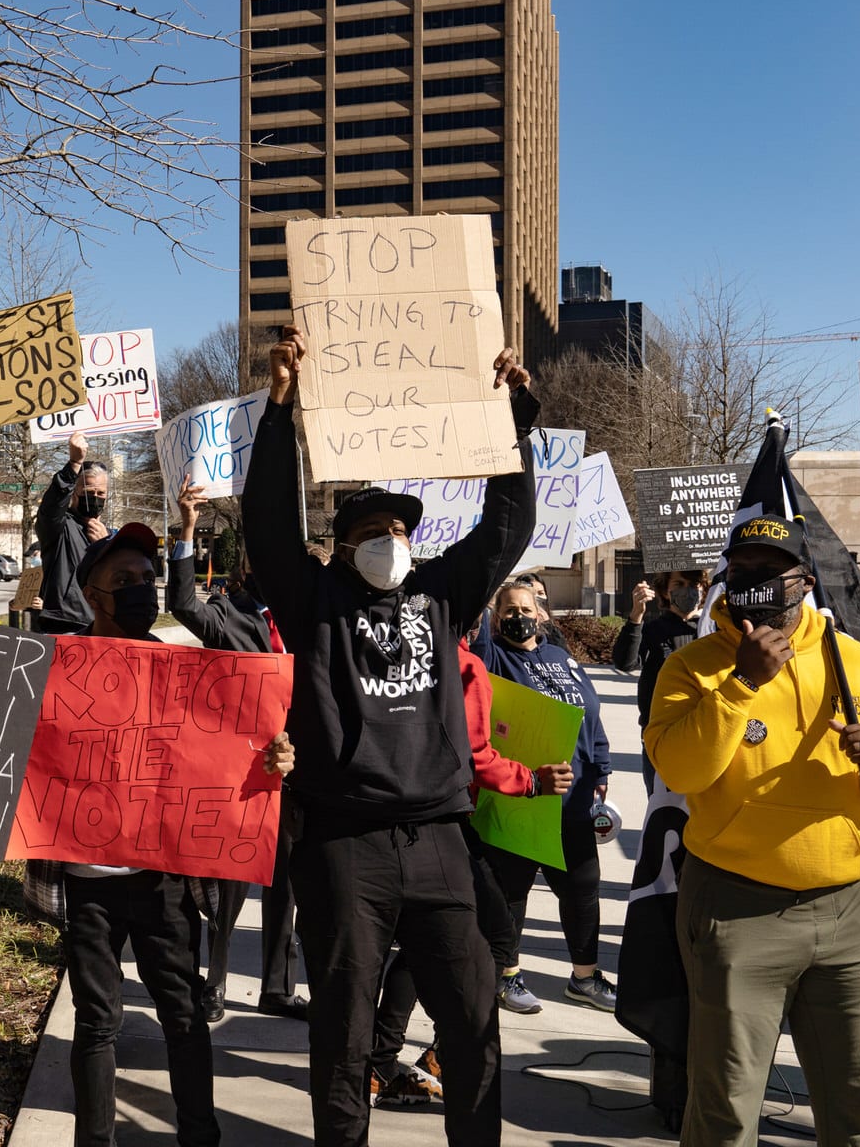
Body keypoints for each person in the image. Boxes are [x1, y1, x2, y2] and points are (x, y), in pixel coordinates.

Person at [244, 322, 539, 1147]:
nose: (391, 542)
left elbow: (506, 528)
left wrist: (513, 418)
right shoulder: (314, 603)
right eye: (372, 532)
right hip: (345, 847)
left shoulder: (444, 594)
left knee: (475, 1022)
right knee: (341, 1031)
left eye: (401, 530)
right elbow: (268, 523)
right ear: (342, 547)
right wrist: (280, 409)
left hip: (442, 839)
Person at [647, 513, 860, 1147]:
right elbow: (679, 769)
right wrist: (743, 683)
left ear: (803, 581)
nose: (751, 583)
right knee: (725, 1114)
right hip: (736, 909)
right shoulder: (691, 668)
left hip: (853, 912)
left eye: (770, 573)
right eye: (741, 571)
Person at [61, 519, 295, 1147]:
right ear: (90, 593)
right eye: (123, 581)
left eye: (146, 579)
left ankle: (200, 1135)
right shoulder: (53, 665)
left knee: (184, 1013)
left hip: (165, 879)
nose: (140, 589)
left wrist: (274, 759)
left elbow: (237, 745)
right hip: (87, 884)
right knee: (97, 1020)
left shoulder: (188, 663)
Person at [368, 630, 571, 1106]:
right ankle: (440, 1056)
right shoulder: (463, 665)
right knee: (497, 938)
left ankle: (379, 1062)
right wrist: (532, 782)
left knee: (419, 940)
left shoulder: (385, 650)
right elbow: (475, 755)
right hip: (447, 822)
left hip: (394, 821)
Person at [167, 478, 306, 1023]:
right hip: (243, 772)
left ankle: (277, 987)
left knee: (286, 885)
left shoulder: (305, 616)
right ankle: (217, 982)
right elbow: (181, 602)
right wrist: (186, 529)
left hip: (296, 768)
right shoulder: (228, 614)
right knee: (230, 887)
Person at [472, 581, 617, 1015]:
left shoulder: (562, 659)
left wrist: (602, 766)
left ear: (542, 615)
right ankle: (507, 975)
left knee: (582, 889)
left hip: (570, 800)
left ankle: (585, 977)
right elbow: (478, 639)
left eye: (526, 608)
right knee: (512, 891)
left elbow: (589, 714)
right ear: (497, 618)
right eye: (508, 609)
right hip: (520, 795)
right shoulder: (493, 658)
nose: (518, 615)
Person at [611, 570, 706, 793]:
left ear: (703, 588)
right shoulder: (653, 630)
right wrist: (636, 615)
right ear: (664, 591)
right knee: (664, 815)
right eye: (679, 584)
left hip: (703, 733)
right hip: (661, 737)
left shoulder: (712, 630)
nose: (688, 590)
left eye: (693, 584)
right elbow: (625, 663)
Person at [35, 430, 110, 635]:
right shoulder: (59, 527)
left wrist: (106, 546)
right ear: (74, 493)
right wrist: (74, 464)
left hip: (101, 626)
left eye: (101, 493)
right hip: (65, 625)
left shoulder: (109, 536)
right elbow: (51, 506)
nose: (95, 497)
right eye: (88, 492)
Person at [514, 572, 567, 651]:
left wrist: (548, 625)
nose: (536, 597)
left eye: (540, 593)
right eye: (531, 593)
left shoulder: (551, 625)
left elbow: (563, 653)